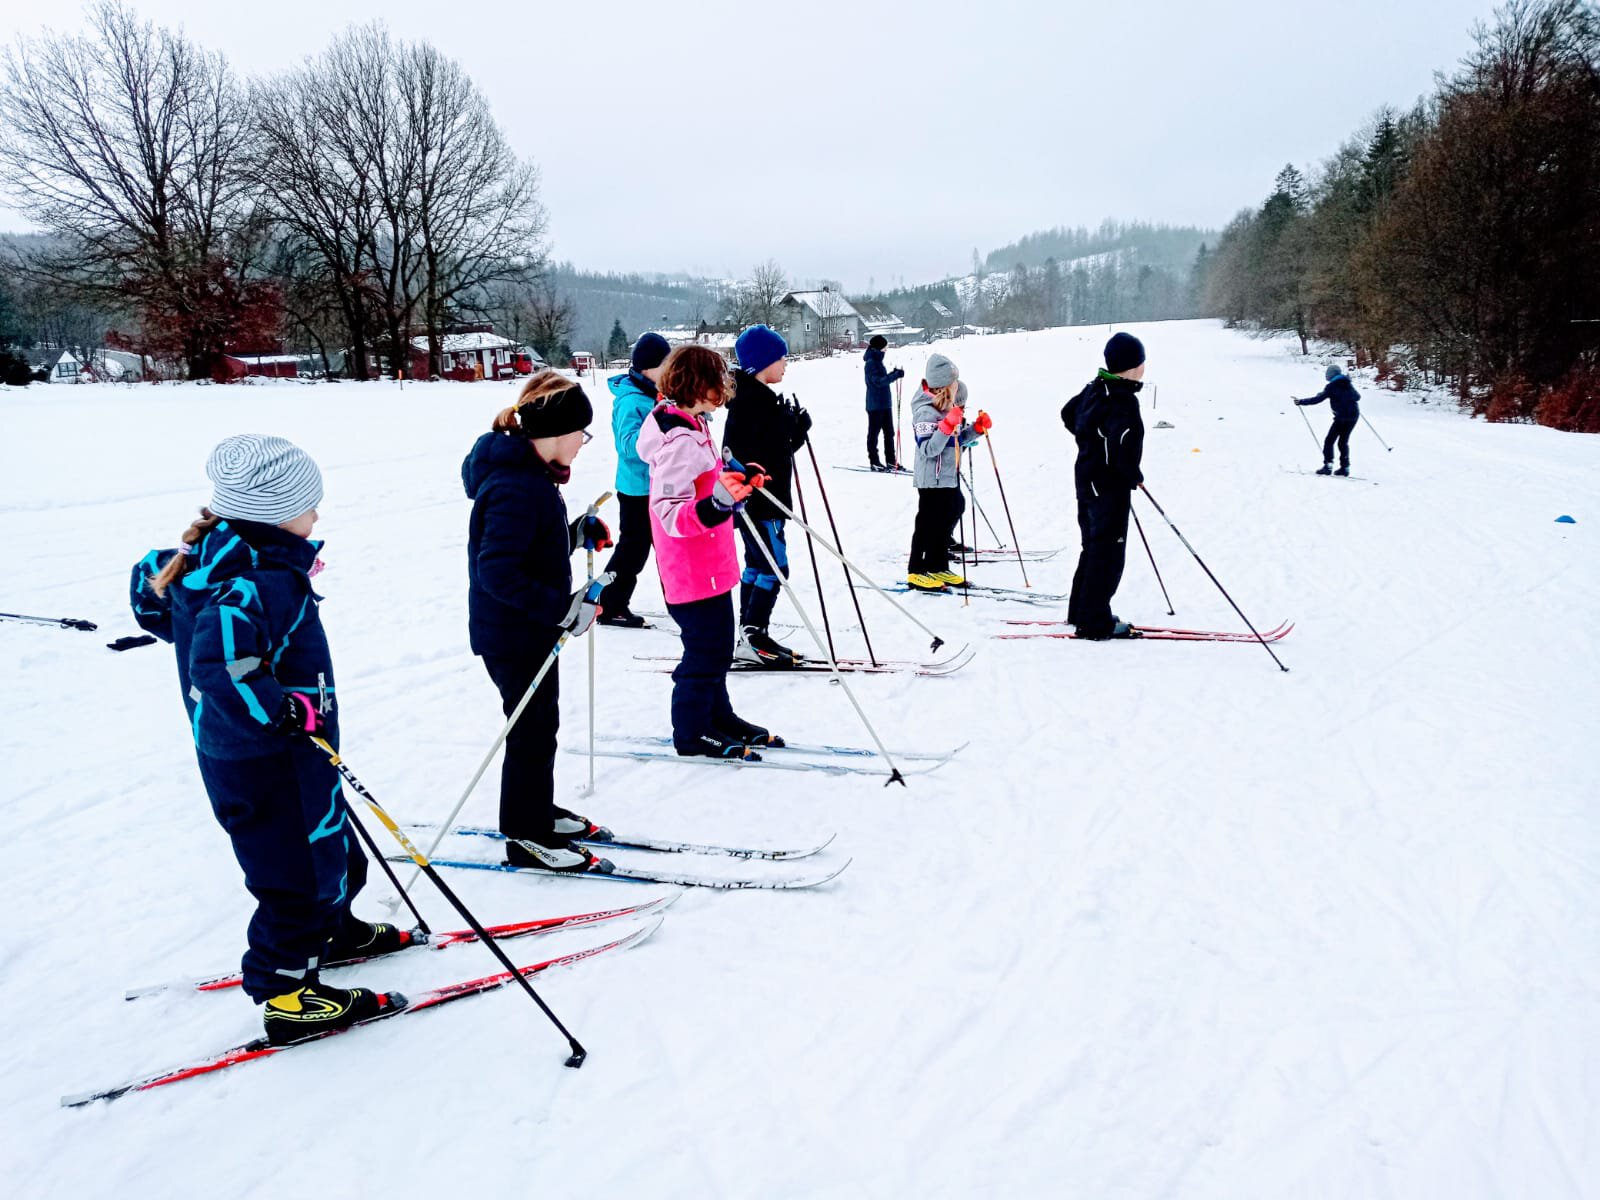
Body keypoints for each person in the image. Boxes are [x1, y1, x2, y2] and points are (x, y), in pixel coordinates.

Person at [130, 434, 408, 1046]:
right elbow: (222, 662)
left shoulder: (209, 561)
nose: (317, 516)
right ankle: (287, 994)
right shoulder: (259, 581)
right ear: (276, 511)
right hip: (267, 756)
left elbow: (149, 592)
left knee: (330, 849)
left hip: (272, 752)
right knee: (297, 874)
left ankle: (335, 933)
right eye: (311, 505)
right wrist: (278, 710)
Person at [462, 371, 612, 872]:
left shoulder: (530, 478)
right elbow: (497, 571)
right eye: (581, 435)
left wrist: (574, 534)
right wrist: (560, 609)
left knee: (540, 725)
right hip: (512, 633)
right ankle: (525, 834)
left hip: (524, 628)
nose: (582, 445)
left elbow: (531, 550)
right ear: (557, 431)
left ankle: (536, 811)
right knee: (530, 727)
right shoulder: (515, 486)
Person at [637, 345, 784, 759]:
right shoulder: (678, 440)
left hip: (712, 562)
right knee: (705, 652)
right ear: (700, 385)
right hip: (690, 569)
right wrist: (717, 503)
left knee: (718, 648)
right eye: (720, 379)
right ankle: (692, 730)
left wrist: (736, 478)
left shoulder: (695, 425)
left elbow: (707, 483)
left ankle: (719, 716)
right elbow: (667, 512)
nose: (727, 387)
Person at [721, 324, 812, 667]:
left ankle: (748, 633)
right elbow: (742, 455)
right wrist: (787, 427)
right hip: (761, 503)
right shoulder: (752, 403)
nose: (786, 362)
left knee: (759, 564)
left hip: (759, 500)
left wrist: (794, 430)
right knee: (775, 566)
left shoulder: (756, 398)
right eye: (780, 357)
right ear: (762, 364)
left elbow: (776, 452)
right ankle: (753, 633)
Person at [1061, 332, 1147, 639]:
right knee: (1108, 553)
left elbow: (1070, 414)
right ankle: (1094, 621)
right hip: (1107, 487)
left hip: (1087, 480)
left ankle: (1080, 611)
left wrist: (1089, 440)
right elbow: (1120, 446)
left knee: (1093, 547)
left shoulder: (1097, 386)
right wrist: (1131, 475)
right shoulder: (1122, 400)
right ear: (1132, 367)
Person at [597, 332, 671, 626]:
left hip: (656, 486)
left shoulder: (653, 395)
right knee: (633, 549)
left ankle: (682, 600)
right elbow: (627, 446)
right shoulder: (630, 401)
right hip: (637, 489)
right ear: (646, 368)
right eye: (663, 365)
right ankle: (609, 603)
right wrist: (660, 426)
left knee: (665, 547)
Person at [907, 353, 986, 591]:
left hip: (948, 476)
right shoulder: (925, 412)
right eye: (954, 383)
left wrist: (975, 430)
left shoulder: (946, 408)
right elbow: (928, 449)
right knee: (927, 523)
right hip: (931, 479)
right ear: (943, 386)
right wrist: (946, 425)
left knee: (948, 515)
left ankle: (937, 565)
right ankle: (916, 570)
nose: (957, 386)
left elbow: (956, 441)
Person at [1295, 365, 1361, 475]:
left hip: (1341, 417)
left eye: (1328, 373)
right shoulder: (1347, 384)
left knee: (1329, 440)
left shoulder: (1331, 386)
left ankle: (1328, 465)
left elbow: (1318, 399)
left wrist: (1301, 401)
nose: (1326, 375)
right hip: (1353, 416)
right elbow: (1357, 397)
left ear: (1332, 374)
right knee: (1343, 442)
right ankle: (1345, 468)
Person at [863, 334, 905, 471]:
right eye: (885, 348)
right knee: (874, 433)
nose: (886, 350)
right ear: (878, 348)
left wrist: (893, 373)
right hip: (875, 405)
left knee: (889, 433)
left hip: (885, 403)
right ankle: (874, 461)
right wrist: (894, 376)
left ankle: (891, 461)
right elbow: (878, 382)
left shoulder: (877, 361)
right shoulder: (871, 363)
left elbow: (882, 378)